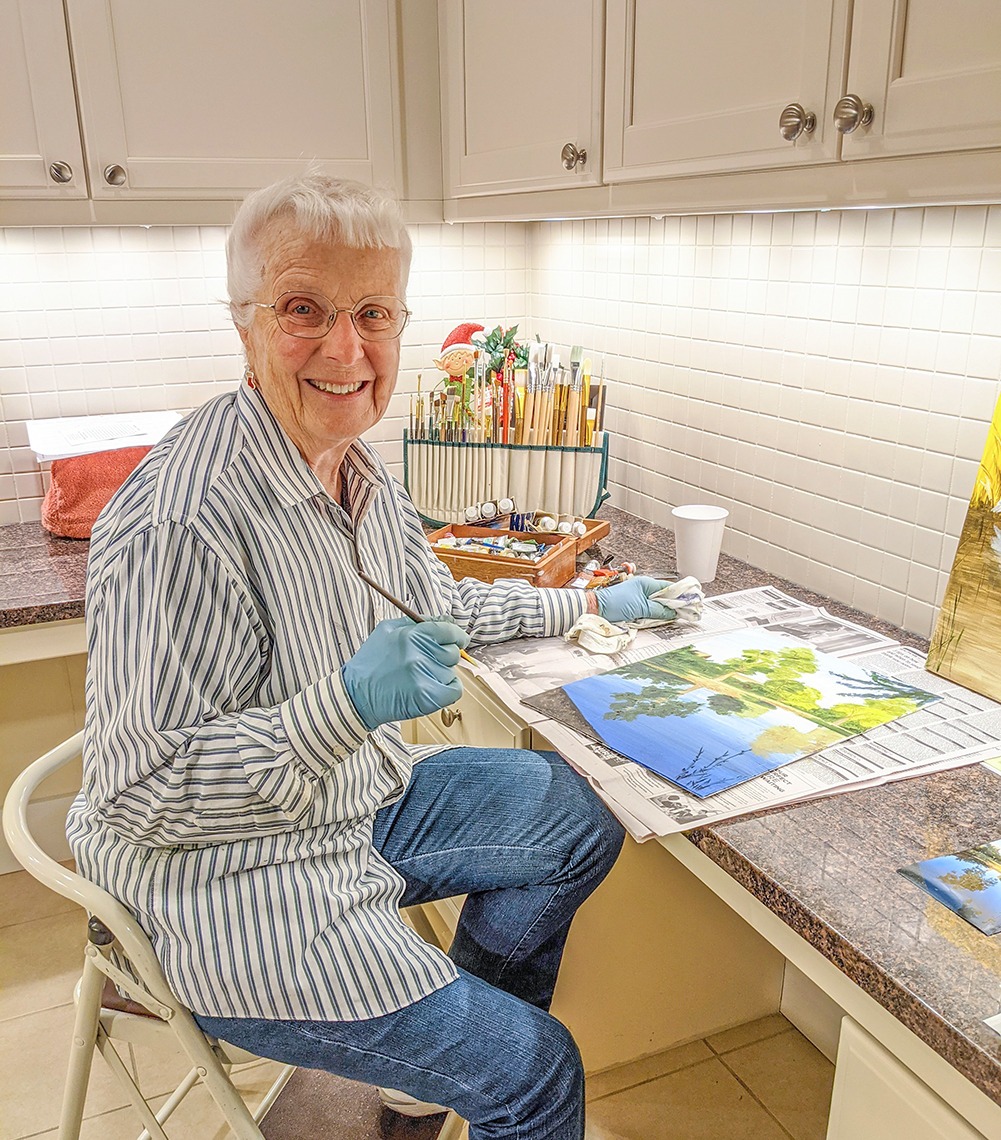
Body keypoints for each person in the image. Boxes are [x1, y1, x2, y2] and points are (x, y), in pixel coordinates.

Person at [67, 172, 675, 1139]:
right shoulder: (182, 518)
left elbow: (433, 605)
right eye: (303, 310)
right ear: (244, 322)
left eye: (374, 314)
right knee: (537, 1072)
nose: (347, 350)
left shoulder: (352, 466)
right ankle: (483, 1067)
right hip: (222, 881)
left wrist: (587, 600)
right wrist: (345, 705)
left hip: (350, 803)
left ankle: (426, 1071)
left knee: (573, 813)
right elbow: (142, 793)